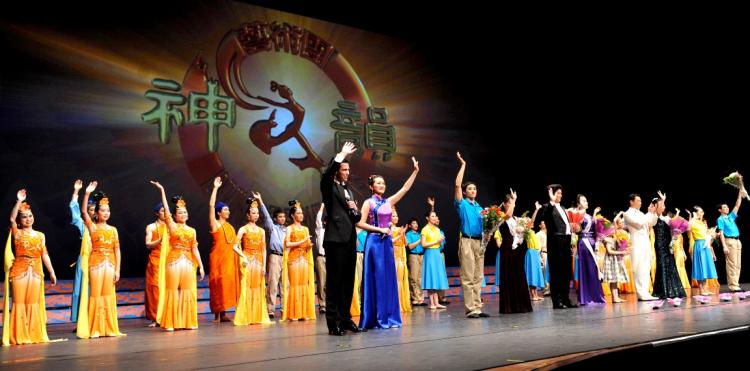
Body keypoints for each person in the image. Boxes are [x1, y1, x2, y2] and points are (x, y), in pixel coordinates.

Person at [2, 189, 57, 346]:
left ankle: (32, 335)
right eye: (24, 217)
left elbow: (44, 255)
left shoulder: (40, 235)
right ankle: (19, 336)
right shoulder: (17, 233)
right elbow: (11, 218)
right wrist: (19, 200)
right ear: (20, 220)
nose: (28, 219)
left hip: (36, 271)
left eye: (30, 216)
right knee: (19, 303)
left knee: (33, 304)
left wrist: (51, 272)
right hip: (19, 270)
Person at [151, 182, 206, 331]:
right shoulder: (172, 226)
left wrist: (201, 265)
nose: (183, 214)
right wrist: (162, 190)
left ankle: (187, 322)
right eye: (180, 213)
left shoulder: (192, 231)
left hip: (188, 262)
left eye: (185, 212)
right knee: (173, 290)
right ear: (174, 216)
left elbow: (195, 249)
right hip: (174, 261)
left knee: (187, 290)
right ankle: (170, 322)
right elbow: (166, 209)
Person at [319, 142, 362, 335]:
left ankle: (345, 319)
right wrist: (341, 154)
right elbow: (327, 175)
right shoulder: (329, 187)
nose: (347, 172)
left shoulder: (348, 191)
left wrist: (355, 210)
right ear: (337, 170)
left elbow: (356, 218)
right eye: (343, 169)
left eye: (348, 169)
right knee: (335, 282)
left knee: (348, 282)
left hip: (349, 239)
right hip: (335, 240)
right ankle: (333, 322)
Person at [76, 182, 125, 338]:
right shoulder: (92, 227)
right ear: (96, 213)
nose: (106, 213)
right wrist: (87, 193)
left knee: (108, 295)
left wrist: (117, 269)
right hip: (96, 264)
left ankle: (109, 328)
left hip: (110, 264)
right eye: (102, 210)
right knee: (96, 295)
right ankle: (95, 329)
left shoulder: (113, 230)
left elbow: (117, 249)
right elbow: (83, 211)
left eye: (108, 210)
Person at [454, 152, 488, 318]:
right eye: (469, 189)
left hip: (479, 242)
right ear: (465, 192)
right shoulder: (462, 204)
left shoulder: (479, 207)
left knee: (478, 276)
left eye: (474, 188)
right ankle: (471, 309)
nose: (472, 190)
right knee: (468, 276)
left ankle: (477, 307)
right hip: (467, 241)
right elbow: (457, 185)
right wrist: (463, 165)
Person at [535, 184, 577, 309]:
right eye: (558, 193)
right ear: (551, 193)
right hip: (556, 241)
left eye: (561, 193)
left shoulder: (563, 208)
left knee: (566, 271)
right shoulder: (547, 207)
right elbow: (541, 217)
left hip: (566, 241)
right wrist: (551, 202)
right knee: (556, 272)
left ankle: (565, 298)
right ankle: (557, 300)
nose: (560, 195)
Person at [232, 195, 272, 325]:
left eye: (257, 213)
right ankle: (246, 316)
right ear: (248, 215)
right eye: (253, 213)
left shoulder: (261, 231)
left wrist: (264, 266)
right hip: (247, 261)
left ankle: (256, 316)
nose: (256, 215)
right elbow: (234, 246)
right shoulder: (243, 229)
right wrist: (243, 256)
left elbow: (264, 249)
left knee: (257, 288)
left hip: (259, 262)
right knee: (247, 287)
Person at [208, 177, 239, 323]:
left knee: (226, 285)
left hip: (229, 261)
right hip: (218, 260)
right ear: (219, 212)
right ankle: (217, 314)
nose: (228, 211)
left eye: (228, 209)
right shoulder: (216, 225)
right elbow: (211, 205)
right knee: (217, 284)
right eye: (226, 210)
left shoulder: (230, 227)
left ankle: (224, 313)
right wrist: (215, 188)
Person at [281, 200, 316, 321]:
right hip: (294, 260)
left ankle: (304, 312)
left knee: (303, 284)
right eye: (299, 213)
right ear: (292, 215)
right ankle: (294, 313)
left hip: (304, 259)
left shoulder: (306, 229)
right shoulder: (289, 228)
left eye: (302, 213)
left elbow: (306, 245)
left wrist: (309, 245)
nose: (301, 215)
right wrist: (302, 242)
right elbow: (287, 244)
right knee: (295, 285)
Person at [623, 193, 659, 301]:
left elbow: (651, 223)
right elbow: (638, 224)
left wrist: (653, 213)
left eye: (640, 201)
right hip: (637, 243)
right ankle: (641, 293)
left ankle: (646, 292)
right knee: (638, 268)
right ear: (631, 201)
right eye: (638, 200)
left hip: (645, 242)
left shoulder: (641, 213)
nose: (640, 202)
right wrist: (648, 213)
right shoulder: (627, 214)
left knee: (645, 267)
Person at [257, 194, 286, 319]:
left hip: (286, 257)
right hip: (275, 257)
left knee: (285, 285)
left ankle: (286, 309)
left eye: (284, 216)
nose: (282, 218)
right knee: (273, 284)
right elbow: (266, 216)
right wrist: (260, 201)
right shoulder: (272, 228)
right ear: (275, 219)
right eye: (280, 217)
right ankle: (271, 309)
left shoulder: (288, 230)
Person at [717, 180, 743, 292]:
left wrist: (740, 190)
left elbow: (737, 204)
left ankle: (736, 284)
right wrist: (724, 246)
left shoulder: (730, 217)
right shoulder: (721, 219)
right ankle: (732, 286)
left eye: (727, 207)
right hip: (729, 241)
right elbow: (721, 233)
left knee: (738, 264)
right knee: (732, 264)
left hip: (737, 241)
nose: (727, 208)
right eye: (725, 207)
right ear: (720, 210)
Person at [144, 201, 167, 327]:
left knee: (168, 288)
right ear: (157, 213)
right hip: (156, 260)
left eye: (166, 211)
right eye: (162, 211)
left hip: (169, 260)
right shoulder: (151, 227)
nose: (165, 213)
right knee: (155, 288)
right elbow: (148, 244)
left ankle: (167, 315)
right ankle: (155, 317)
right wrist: (159, 240)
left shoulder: (171, 226)